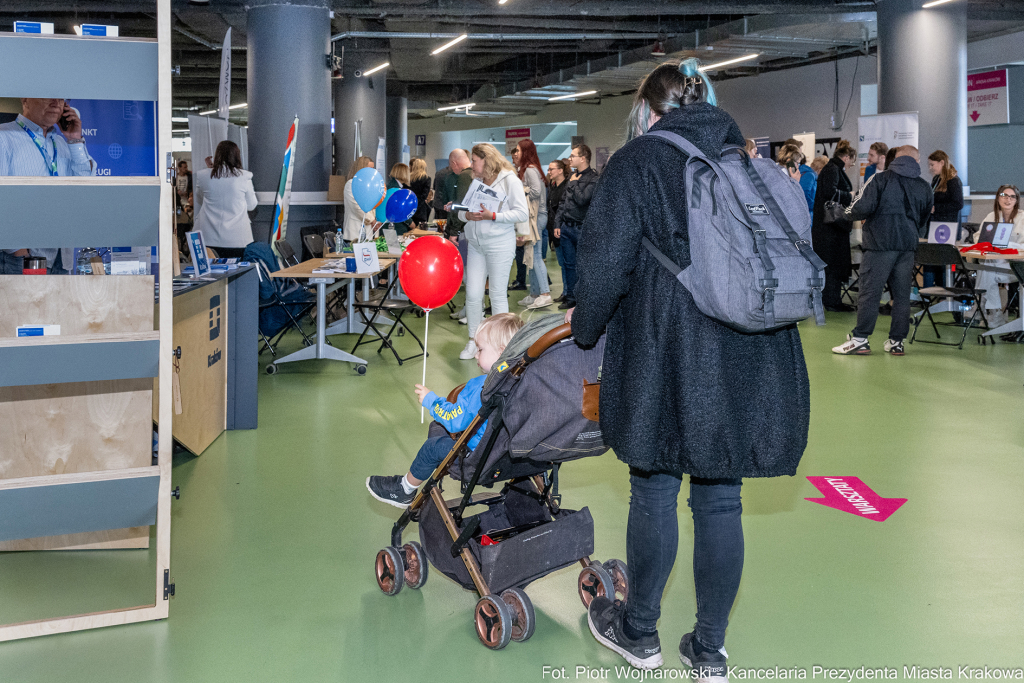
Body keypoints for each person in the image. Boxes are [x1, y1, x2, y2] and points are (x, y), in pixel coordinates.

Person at [570, 58, 810, 679]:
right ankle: (709, 649)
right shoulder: (747, 162)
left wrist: (585, 329)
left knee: (654, 487)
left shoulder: (638, 160)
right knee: (721, 500)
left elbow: (603, 267)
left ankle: (640, 631)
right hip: (751, 349)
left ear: (649, 111)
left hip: (665, 348)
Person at [364, 313, 524, 508]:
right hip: (517, 457)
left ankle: (404, 489)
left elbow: (455, 420)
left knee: (433, 446)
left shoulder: (483, 388)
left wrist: (431, 401)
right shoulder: (526, 381)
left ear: (501, 352)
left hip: (481, 459)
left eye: (480, 349)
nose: (475, 354)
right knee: (440, 431)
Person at [831, 146, 933, 356]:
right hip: (908, 246)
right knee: (902, 295)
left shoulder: (880, 179)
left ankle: (860, 339)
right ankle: (896, 342)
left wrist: (840, 212)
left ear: (895, 158)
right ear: (917, 159)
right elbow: (925, 217)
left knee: (870, 292)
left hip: (880, 244)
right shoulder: (924, 186)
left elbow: (859, 207)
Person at [0, 97, 96, 274]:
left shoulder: (63, 144)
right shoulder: (3, 137)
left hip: (61, 257)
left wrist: (75, 139)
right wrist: (18, 250)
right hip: (18, 258)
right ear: (25, 99)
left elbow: (86, 187)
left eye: (61, 99)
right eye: (48, 96)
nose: (56, 103)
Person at [457, 144, 529, 360]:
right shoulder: (476, 181)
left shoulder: (509, 180)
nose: (471, 165)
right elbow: (463, 212)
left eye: (474, 160)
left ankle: (500, 346)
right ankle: (473, 341)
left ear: (486, 160)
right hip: (476, 244)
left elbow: (521, 213)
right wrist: (467, 217)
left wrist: (494, 216)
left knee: (497, 295)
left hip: (499, 244)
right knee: (473, 294)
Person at [812, 139, 857, 312]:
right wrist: (849, 195)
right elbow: (830, 192)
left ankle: (831, 299)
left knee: (831, 264)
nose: (852, 164)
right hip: (830, 228)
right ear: (846, 157)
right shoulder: (833, 169)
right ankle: (832, 301)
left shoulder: (831, 168)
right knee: (832, 264)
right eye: (851, 160)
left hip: (829, 228)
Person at [553, 143, 599, 309]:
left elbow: (582, 200)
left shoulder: (594, 178)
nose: (570, 158)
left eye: (573, 155)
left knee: (582, 265)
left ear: (583, 158)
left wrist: (572, 184)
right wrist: (558, 223)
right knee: (568, 265)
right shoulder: (572, 177)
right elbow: (563, 202)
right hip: (566, 228)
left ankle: (583, 299)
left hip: (582, 229)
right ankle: (571, 298)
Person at [193, 140, 257, 259]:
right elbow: (251, 205)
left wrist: (211, 170)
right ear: (237, 156)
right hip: (237, 239)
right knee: (235, 274)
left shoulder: (203, 175)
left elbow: (200, 200)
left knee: (208, 275)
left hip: (207, 237)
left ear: (217, 155)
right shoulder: (244, 176)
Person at [974, 185, 1024, 327]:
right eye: (1004, 195)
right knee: (988, 265)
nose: (1007, 199)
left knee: (986, 267)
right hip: (997, 264)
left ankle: (983, 307)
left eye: (1012, 196)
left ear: (1016, 200)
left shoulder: (1023, 218)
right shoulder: (991, 216)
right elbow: (978, 237)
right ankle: (994, 313)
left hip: (1017, 265)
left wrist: (1010, 246)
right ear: (998, 197)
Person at [513, 139, 553, 310]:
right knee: (529, 255)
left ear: (525, 152)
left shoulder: (530, 170)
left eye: (517, 150)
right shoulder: (528, 170)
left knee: (535, 255)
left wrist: (519, 188)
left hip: (537, 216)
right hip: (534, 217)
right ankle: (535, 293)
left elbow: (535, 191)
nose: (515, 154)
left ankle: (545, 294)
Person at [547, 159, 570, 301]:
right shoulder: (553, 186)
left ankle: (569, 292)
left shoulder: (567, 187)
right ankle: (565, 291)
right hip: (553, 229)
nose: (549, 172)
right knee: (562, 263)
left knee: (568, 263)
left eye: (552, 169)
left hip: (563, 229)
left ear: (560, 170)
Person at [343, 156, 376, 242]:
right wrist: (372, 220)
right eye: (370, 168)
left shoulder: (369, 186)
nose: (372, 172)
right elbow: (356, 207)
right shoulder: (351, 184)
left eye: (373, 168)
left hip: (368, 234)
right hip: (353, 235)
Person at [409, 157, 432, 227]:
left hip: (409, 207)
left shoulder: (408, 179)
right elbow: (424, 195)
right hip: (421, 210)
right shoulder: (427, 179)